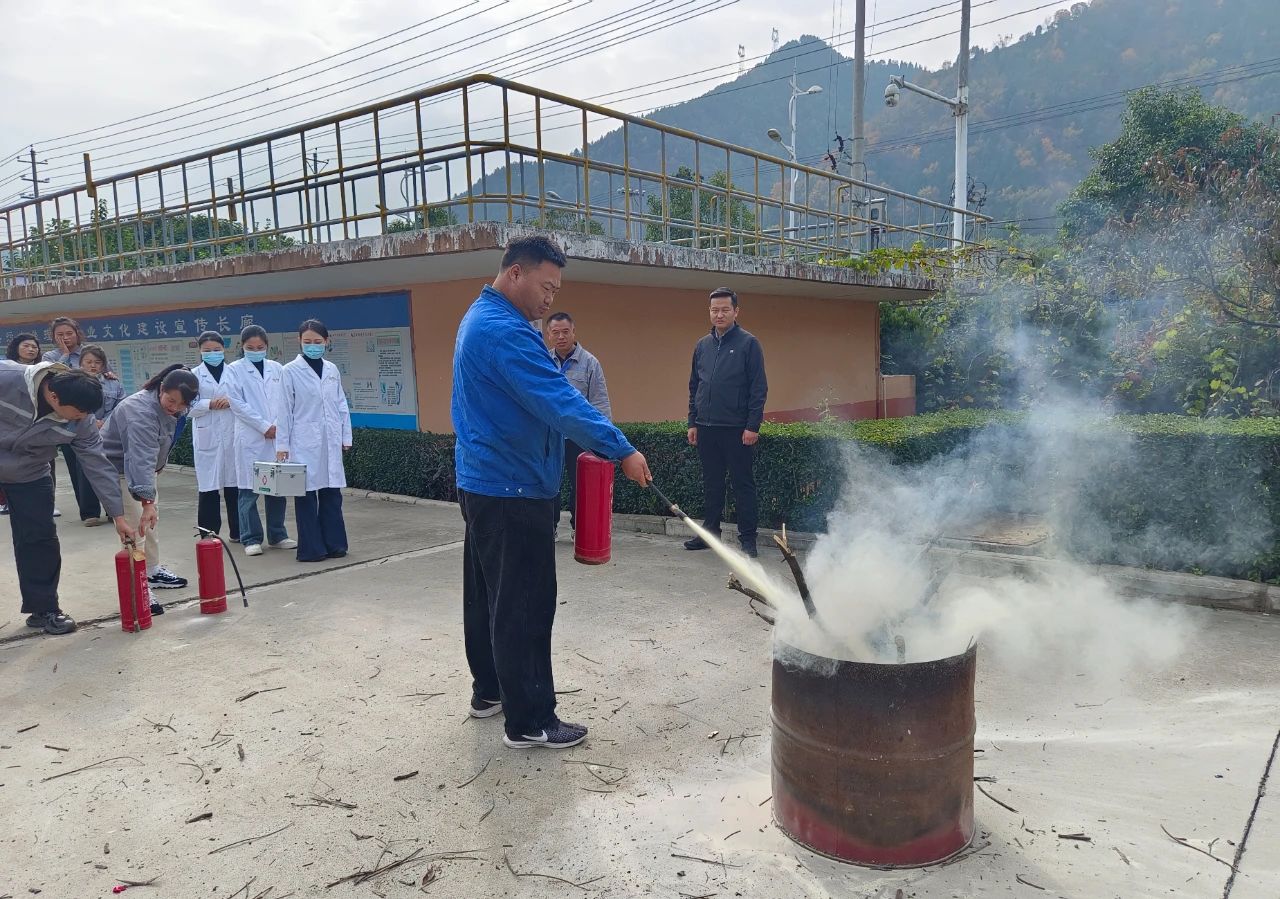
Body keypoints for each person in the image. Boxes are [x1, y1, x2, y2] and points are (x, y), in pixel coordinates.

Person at [453, 235, 651, 751]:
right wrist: (621, 450)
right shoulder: (506, 332)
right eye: (546, 286)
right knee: (525, 606)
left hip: (485, 481)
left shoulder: (482, 317)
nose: (550, 299)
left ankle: (490, 691)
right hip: (513, 487)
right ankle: (531, 720)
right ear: (515, 274)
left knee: (490, 599)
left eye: (556, 289)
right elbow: (561, 402)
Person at [0, 360, 136, 634]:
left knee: (39, 538)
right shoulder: (7, 379)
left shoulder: (81, 419)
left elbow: (97, 463)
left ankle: (44, 609)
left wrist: (118, 515)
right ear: (53, 395)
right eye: (78, 413)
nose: (82, 418)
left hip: (30, 472)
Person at [102, 364, 200, 604]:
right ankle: (137, 586)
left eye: (181, 404)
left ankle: (152, 571)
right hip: (120, 470)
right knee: (136, 529)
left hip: (144, 470)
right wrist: (146, 500)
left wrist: (151, 498)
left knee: (150, 524)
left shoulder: (174, 405)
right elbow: (139, 457)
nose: (175, 407)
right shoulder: (139, 412)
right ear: (161, 388)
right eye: (171, 400)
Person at [684, 287, 768, 558]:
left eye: (724, 310)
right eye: (714, 310)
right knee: (712, 484)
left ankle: (748, 540)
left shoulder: (749, 343)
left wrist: (752, 426)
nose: (719, 314)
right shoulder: (701, 346)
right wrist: (692, 422)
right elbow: (694, 385)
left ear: (736, 311)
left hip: (737, 429)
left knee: (743, 484)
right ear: (709, 312)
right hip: (706, 427)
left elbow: (758, 388)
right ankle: (710, 533)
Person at [277, 319, 352, 562]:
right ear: (299, 342)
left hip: (330, 439)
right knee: (307, 496)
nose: (312, 346)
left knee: (332, 493)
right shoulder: (289, 371)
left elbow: (341, 404)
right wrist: (282, 446)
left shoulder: (331, 369)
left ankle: (335, 544)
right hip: (303, 441)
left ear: (326, 342)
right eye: (307, 342)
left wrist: (345, 435)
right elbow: (284, 410)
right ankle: (312, 549)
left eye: (317, 342)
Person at [226, 325, 296, 557]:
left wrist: (278, 425)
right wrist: (264, 426)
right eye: (250, 348)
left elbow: (286, 399)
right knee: (249, 491)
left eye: (260, 347)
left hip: (276, 436)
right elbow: (237, 403)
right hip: (251, 438)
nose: (256, 351)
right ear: (242, 347)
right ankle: (251, 538)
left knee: (277, 489)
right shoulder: (234, 370)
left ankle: (278, 535)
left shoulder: (278, 368)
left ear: (267, 347)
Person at [42, 317, 118, 525]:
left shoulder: (89, 351)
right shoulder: (51, 356)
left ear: (77, 333)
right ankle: (89, 511)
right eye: (60, 334)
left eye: (69, 333)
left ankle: (112, 510)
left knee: (101, 464)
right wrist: (66, 356)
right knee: (77, 467)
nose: (65, 337)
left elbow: (106, 373)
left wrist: (108, 374)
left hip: (95, 418)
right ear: (53, 337)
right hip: (67, 420)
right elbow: (51, 380)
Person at [545, 311, 612, 532]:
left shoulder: (590, 363)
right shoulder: (542, 360)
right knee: (549, 482)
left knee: (580, 485)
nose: (561, 337)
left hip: (578, 436)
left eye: (566, 332)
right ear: (548, 335)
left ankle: (579, 528)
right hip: (550, 434)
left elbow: (600, 402)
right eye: (556, 332)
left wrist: (603, 438)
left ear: (574, 332)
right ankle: (549, 526)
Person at [190, 331, 240, 543]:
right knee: (208, 488)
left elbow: (246, 400)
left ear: (224, 350)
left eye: (217, 350)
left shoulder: (235, 372)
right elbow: (186, 407)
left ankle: (238, 532)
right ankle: (209, 533)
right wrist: (209, 404)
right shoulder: (193, 375)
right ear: (200, 352)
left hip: (231, 432)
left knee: (235, 486)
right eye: (207, 351)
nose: (213, 354)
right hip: (207, 435)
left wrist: (231, 402)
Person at [73, 345, 125, 526]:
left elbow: (121, 405)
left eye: (97, 362)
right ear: (80, 364)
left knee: (112, 471)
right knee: (86, 472)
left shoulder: (114, 383)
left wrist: (106, 421)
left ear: (104, 365)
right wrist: (92, 420)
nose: (93, 366)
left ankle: (114, 511)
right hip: (83, 432)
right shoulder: (74, 383)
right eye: (88, 362)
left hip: (109, 432)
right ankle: (90, 513)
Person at [0, 333, 42, 515]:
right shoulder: (6, 371)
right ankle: (6, 501)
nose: (31, 349)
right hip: (8, 425)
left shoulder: (43, 371)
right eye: (26, 345)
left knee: (42, 463)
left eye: (34, 346)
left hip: (36, 426)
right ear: (15, 347)